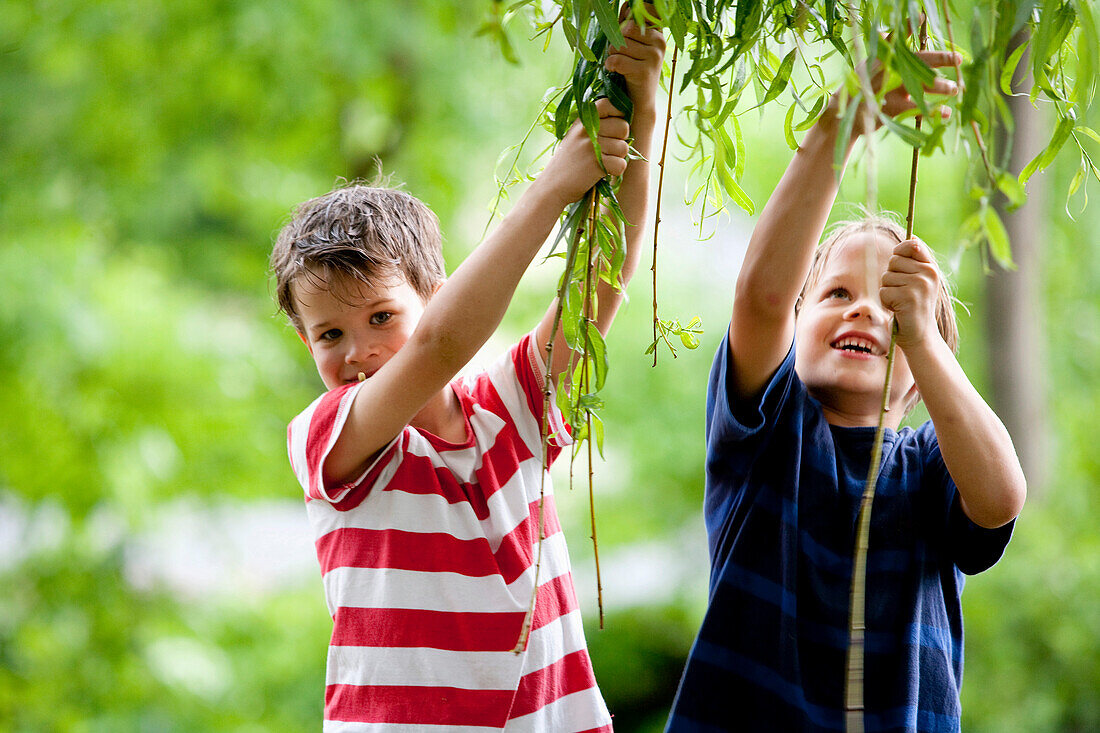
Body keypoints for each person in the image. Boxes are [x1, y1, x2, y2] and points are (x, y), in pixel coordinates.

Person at [269, 15, 664, 732]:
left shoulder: (513, 408)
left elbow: (603, 278)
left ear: (435, 292)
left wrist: (644, 110)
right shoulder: (329, 439)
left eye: (382, 317)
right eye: (329, 333)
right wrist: (549, 192)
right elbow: (440, 349)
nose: (357, 351)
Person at [666, 51, 1027, 732]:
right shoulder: (769, 435)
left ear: (923, 377)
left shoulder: (930, 470)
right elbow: (762, 295)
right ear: (797, 329)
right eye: (835, 293)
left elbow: (1001, 496)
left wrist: (924, 335)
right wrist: (840, 126)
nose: (864, 311)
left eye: (893, 310)